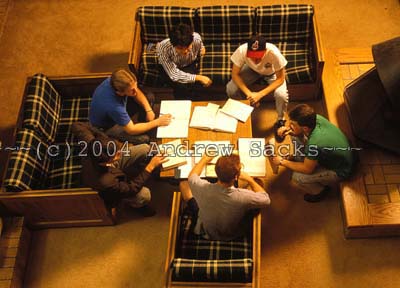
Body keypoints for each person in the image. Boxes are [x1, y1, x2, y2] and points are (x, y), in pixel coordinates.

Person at [71, 122, 167, 217]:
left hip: (109, 167)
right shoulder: (106, 181)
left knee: (145, 149)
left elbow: (77, 125)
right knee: (144, 195)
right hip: (114, 189)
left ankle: (158, 168)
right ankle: (136, 205)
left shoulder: (92, 144)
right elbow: (131, 189)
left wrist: (103, 138)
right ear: (106, 161)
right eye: (116, 154)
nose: (120, 153)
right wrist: (150, 167)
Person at [271, 104, 354, 203]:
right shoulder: (315, 118)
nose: (289, 125)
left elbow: (307, 169)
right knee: (294, 135)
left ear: (305, 128)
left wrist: (282, 161)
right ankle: (301, 159)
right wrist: (290, 130)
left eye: (292, 124)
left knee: (298, 177)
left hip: (341, 170)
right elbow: (301, 133)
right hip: (336, 153)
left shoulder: (314, 143)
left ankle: (320, 191)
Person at [179, 153, 270, 241]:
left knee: (183, 184)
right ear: (236, 177)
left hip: (206, 231)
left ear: (216, 172)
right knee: (259, 183)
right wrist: (250, 180)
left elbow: (191, 177)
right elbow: (266, 199)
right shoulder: (243, 196)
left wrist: (204, 159)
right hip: (232, 234)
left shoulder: (203, 188)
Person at [89, 69, 172, 144]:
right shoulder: (115, 107)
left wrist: (148, 110)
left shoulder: (116, 80)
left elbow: (136, 92)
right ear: (120, 93)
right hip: (107, 126)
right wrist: (157, 122)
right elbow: (131, 129)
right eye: (132, 90)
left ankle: (142, 123)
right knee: (143, 138)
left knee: (149, 96)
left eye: (135, 86)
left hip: (115, 110)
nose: (135, 91)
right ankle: (140, 127)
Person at [226, 35, 289, 134]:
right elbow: (235, 74)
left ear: (265, 51)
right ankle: (242, 110)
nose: (256, 60)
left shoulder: (273, 52)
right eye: (252, 56)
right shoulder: (242, 50)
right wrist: (250, 95)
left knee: (281, 94)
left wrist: (259, 95)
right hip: (251, 70)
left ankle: (281, 119)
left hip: (272, 73)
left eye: (258, 56)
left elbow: (280, 79)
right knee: (231, 88)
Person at [156, 23, 212, 99]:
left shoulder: (196, 38)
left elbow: (201, 45)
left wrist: (202, 48)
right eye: (180, 48)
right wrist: (199, 77)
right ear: (173, 45)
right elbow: (174, 74)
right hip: (170, 67)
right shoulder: (162, 48)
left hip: (189, 64)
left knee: (188, 84)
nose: (185, 51)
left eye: (188, 47)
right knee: (180, 86)